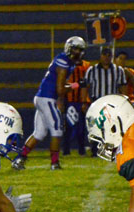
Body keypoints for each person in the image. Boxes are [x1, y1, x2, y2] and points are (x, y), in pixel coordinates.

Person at [12, 36, 86, 170]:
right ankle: (54, 163)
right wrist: (76, 85)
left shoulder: (66, 60)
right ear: (69, 48)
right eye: (76, 49)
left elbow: (60, 87)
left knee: (39, 133)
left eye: (80, 50)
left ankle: (19, 160)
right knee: (57, 130)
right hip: (47, 98)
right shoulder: (63, 62)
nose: (78, 53)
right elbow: (60, 88)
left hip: (43, 97)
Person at [81, 47, 127, 156]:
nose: (106, 57)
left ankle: (111, 150)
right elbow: (85, 86)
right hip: (97, 101)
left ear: (111, 56)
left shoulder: (118, 70)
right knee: (96, 126)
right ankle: (94, 150)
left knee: (112, 127)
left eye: (108, 55)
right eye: (104, 55)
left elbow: (123, 87)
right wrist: (84, 102)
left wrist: (123, 101)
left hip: (112, 102)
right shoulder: (92, 70)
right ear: (100, 56)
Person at [62, 59, 90, 155]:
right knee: (68, 126)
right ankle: (66, 149)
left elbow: (87, 84)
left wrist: (84, 101)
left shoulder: (86, 65)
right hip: (69, 100)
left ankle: (81, 149)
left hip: (81, 101)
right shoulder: (66, 65)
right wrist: (76, 85)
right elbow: (62, 84)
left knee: (81, 127)